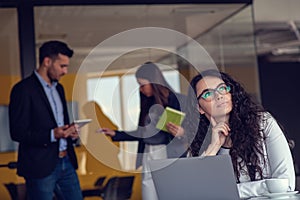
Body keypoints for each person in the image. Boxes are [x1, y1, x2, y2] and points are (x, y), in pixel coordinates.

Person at [184, 69, 295, 198]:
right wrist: (213, 148)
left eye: (222, 88)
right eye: (208, 94)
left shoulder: (263, 123)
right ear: (200, 108)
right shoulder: (198, 144)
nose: (219, 95)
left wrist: (225, 192)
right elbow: (194, 192)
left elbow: (285, 184)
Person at [100, 62, 187, 200]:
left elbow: (193, 130)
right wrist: (116, 134)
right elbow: (142, 133)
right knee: (149, 194)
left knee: (168, 194)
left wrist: (182, 133)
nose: (140, 90)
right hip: (148, 153)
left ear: (154, 82)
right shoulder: (147, 102)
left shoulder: (176, 100)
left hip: (167, 154)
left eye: (142, 85)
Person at [9, 40, 83, 200]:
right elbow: (17, 132)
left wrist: (70, 132)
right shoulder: (23, 90)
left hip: (66, 162)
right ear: (47, 62)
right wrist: (52, 134)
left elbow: (60, 124)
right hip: (39, 166)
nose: (65, 71)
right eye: (62, 66)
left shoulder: (60, 89)